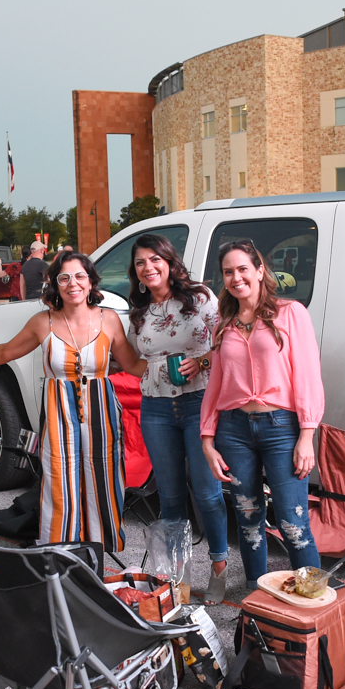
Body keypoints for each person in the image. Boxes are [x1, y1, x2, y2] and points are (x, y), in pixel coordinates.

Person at [0, 251, 144, 557]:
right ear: (55, 285)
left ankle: (98, 550)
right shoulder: (42, 322)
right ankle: (60, 552)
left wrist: (189, 363)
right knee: (59, 481)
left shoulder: (110, 320)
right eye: (64, 278)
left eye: (79, 276)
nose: (72, 283)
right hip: (57, 414)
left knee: (104, 479)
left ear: (91, 282)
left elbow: (132, 364)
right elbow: (4, 353)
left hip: (102, 414)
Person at [200, 240, 324, 590]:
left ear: (259, 270)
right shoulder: (224, 323)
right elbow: (216, 383)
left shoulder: (291, 313)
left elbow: (308, 374)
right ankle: (258, 598)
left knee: (292, 521)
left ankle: (311, 601)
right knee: (249, 520)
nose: (236, 277)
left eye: (242, 269)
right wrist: (207, 439)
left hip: (282, 427)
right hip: (234, 429)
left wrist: (306, 435)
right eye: (228, 271)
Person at [124, 233, 231, 603]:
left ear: (169, 262)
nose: (148, 267)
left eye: (155, 259)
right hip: (155, 406)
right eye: (140, 263)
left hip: (198, 401)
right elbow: (135, 359)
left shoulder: (199, 298)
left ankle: (219, 567)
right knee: (168, 496)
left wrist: (199, 361)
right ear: (135, 272)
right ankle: (176, 578)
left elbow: (223, 343)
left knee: (206, 491)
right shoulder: (138, 311)